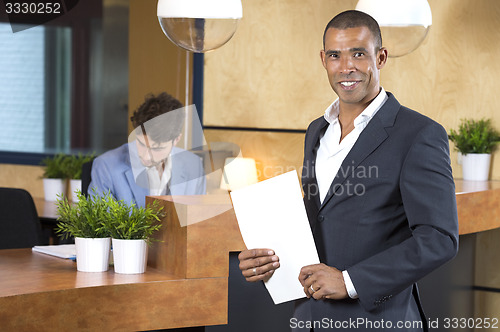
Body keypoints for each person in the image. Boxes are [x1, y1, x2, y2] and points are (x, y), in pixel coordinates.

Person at [238, 10, 458, 331]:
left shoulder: (419, 134)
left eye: (358, 54)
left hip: (380, 320)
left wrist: (350, 281)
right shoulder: (316, 131)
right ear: (323, 60)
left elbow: (439, 238)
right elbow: (320, 216)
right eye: (335, 56)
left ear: (380, 57)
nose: (346, 67)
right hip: (312, 317)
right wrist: (267, 258)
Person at [89, 92, 206, 207]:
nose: (145, 156)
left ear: (176, 140)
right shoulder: (105, 167)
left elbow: (199, 222)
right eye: (141, 143)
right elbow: (100, 224)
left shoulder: (194, 166)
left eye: (157, 149)